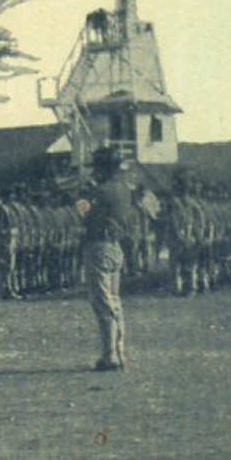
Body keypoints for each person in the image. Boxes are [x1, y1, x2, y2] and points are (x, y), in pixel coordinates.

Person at [77, 147, 141, 371]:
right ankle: (119, 351)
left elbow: (83, 213)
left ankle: (109, 355)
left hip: (99, 246)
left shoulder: (100, 191)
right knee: (114, 301)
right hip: (116, 246)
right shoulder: (124, 189)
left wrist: (82, 196)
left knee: (102, 302)